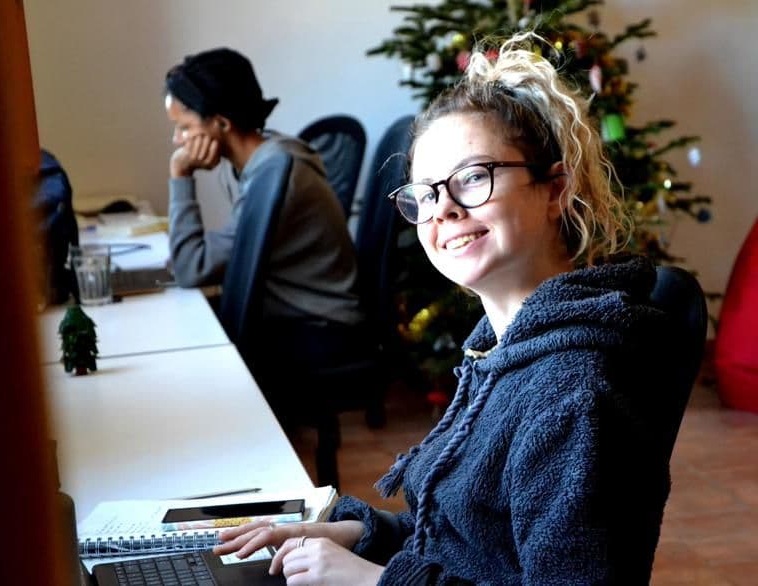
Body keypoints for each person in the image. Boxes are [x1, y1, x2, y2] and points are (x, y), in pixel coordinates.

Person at [213, 32, 677, 585]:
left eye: (474, 178)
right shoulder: (501, 348)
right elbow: (471, 541)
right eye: (427, 193)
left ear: (556, 189)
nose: (445, 211)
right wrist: (359, 536)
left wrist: (370, 580)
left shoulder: (573, 396)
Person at [164, 47, 363, 329]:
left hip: (317, 327)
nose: (177, 140)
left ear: (221, 122)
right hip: (293, 317)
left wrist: (180, 174)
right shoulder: (269, 160)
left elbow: (191, 269)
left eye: (184, 127)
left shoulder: (277, 172)